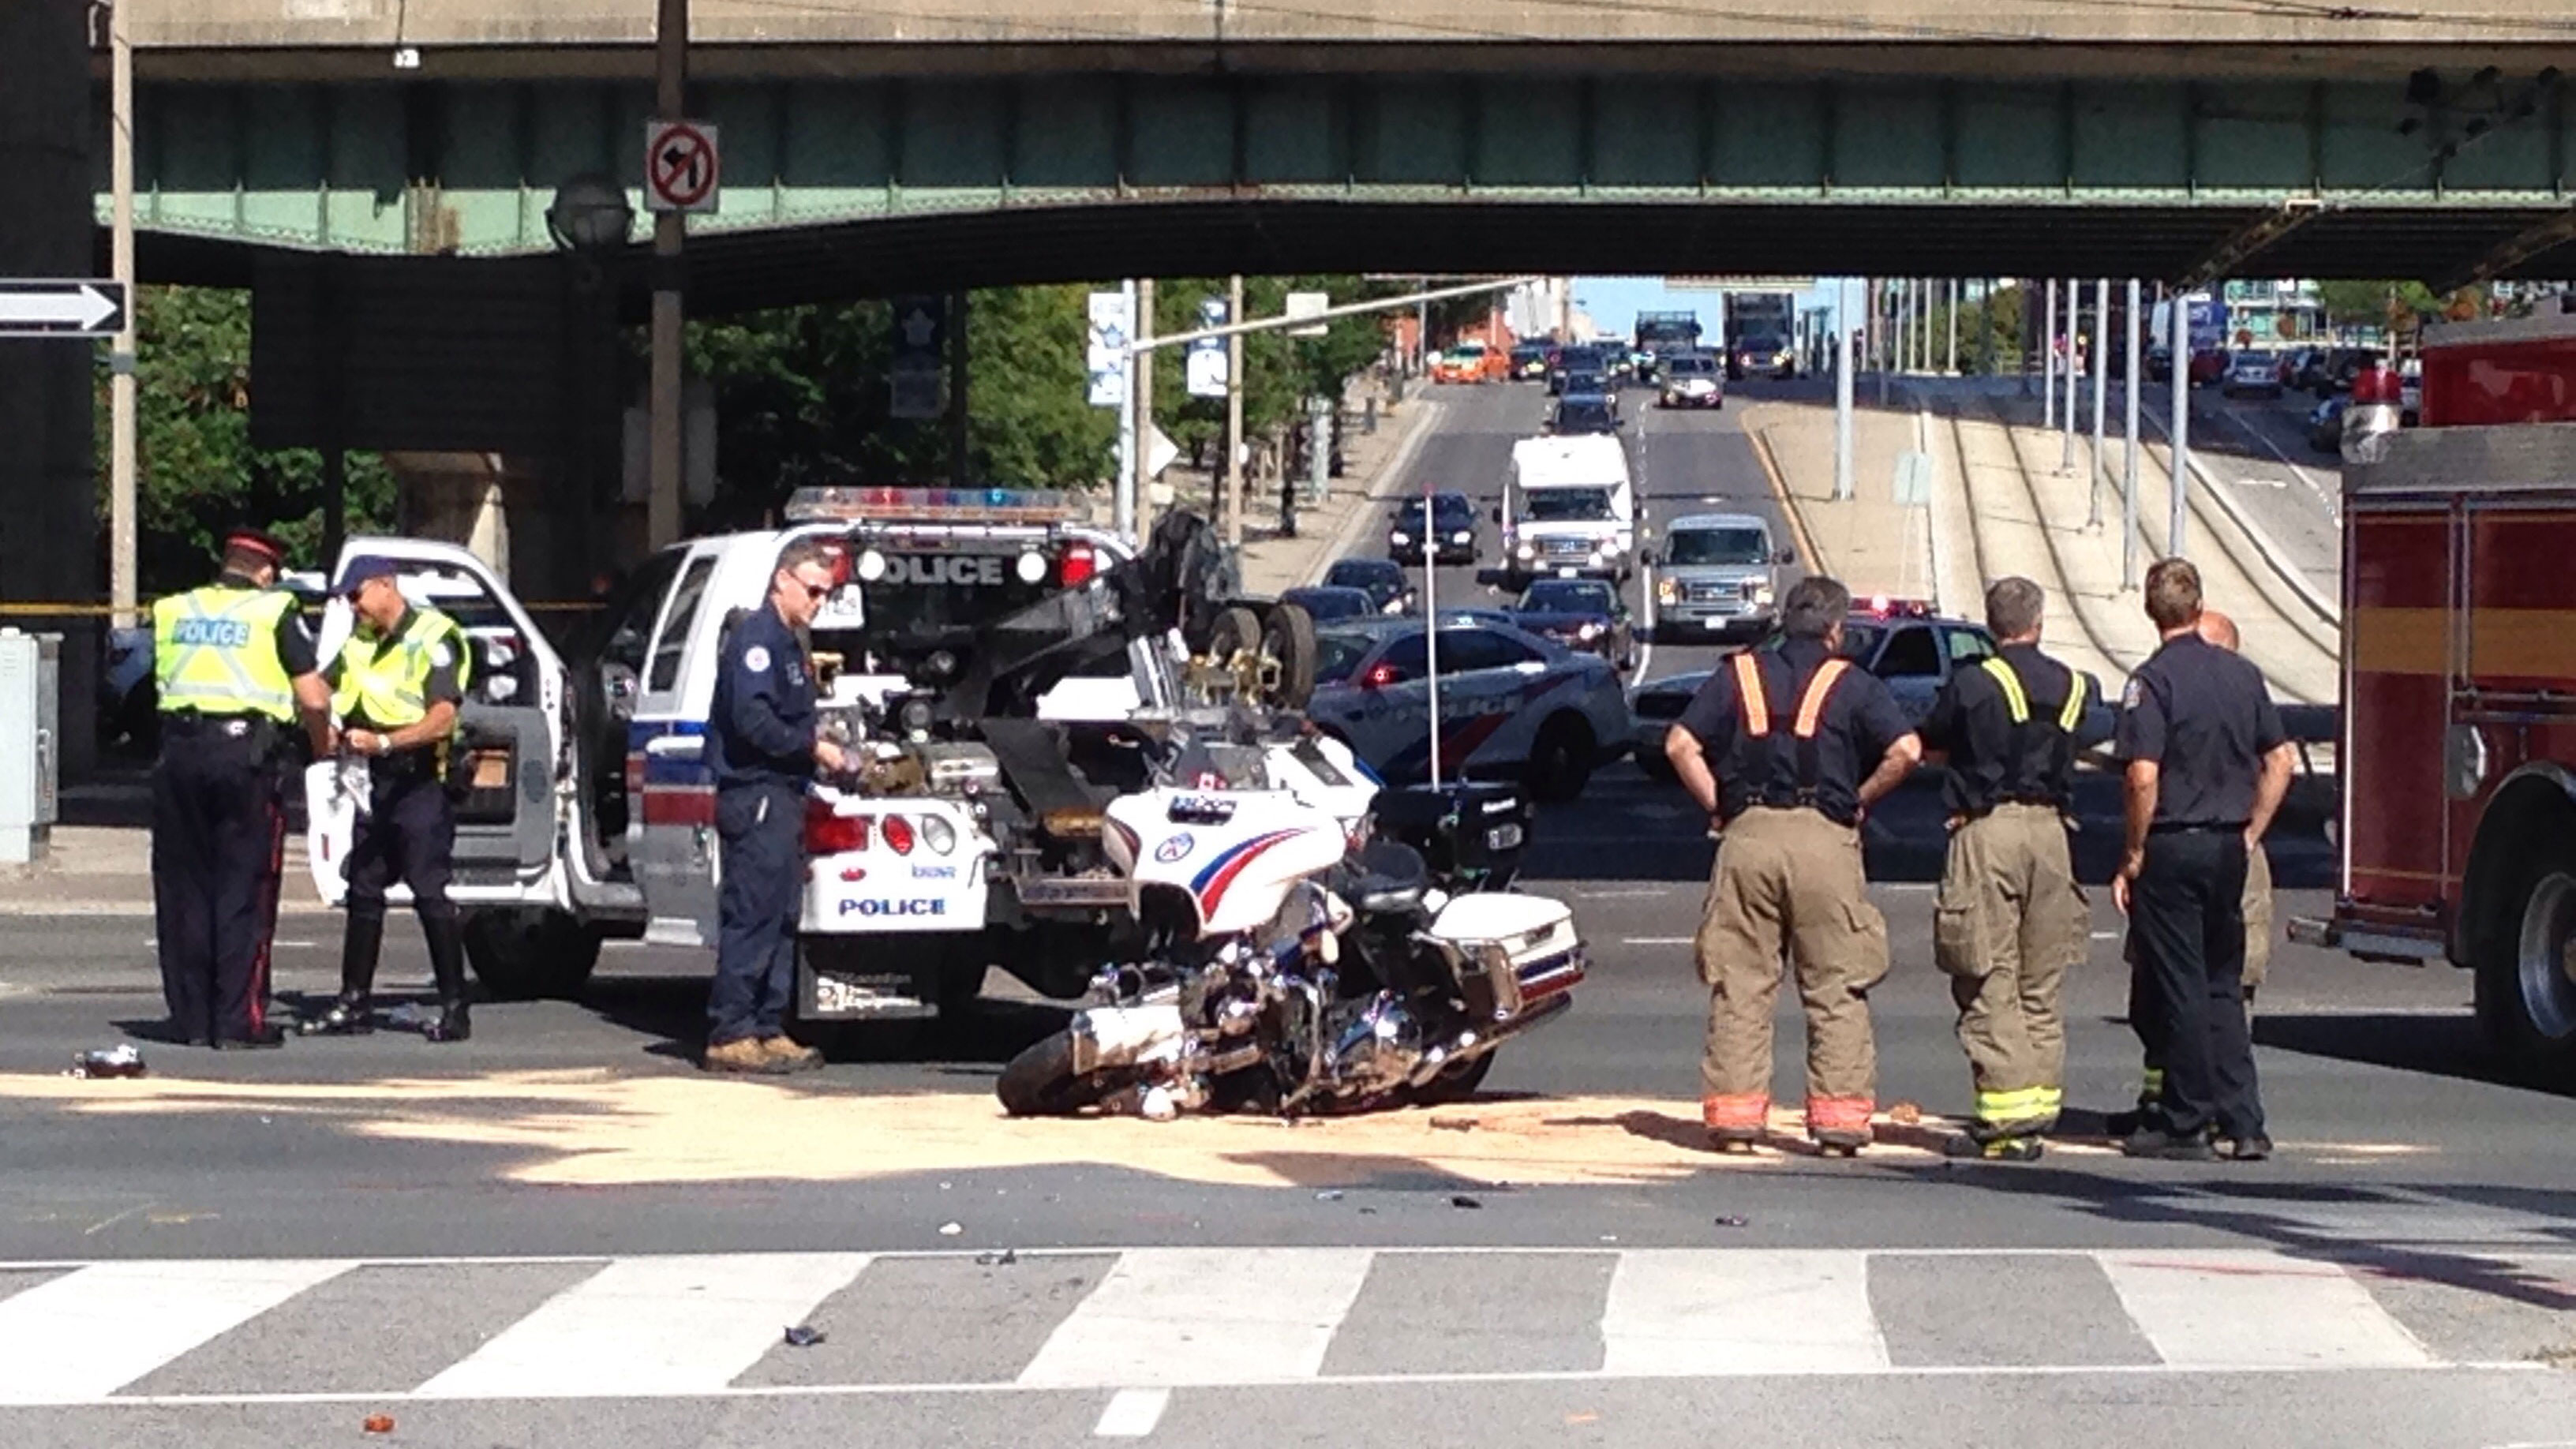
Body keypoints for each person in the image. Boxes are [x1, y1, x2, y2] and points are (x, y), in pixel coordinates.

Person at [1664, 575, 1923, 1154]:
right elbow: (1906, 750)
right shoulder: (1852, 683)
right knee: (1835, 986)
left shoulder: (1740, 673)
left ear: (1784, 620)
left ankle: (1735, 1122)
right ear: (1837, 630)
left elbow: (1680, 744)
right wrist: (1860, 798)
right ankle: (1839, 1126)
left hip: (1748, 837)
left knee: (1742, 984)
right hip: (1824, 839)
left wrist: (1719, 806)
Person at [2112, 561, 2295, 1161]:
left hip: (2174, 841)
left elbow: (2143, 774)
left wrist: (2135, 851)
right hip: (2226, 844)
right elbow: (2281, 761)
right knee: (2223, 982)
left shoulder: (2152, 682)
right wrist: (2251, 829)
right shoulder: (2242, 676)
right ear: (2199, 605)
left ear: (2149, 609)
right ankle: (2245, 1122)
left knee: (2181, 982)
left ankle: (2185, 1118)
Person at [1916, 577, 2089, 1162]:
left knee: (1986, 971)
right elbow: (2097, 736)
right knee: (2041, 980)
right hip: (2053, 836)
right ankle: (2038, 1108)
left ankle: (2006, 1120)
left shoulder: (1974, 682)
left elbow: (1930, 739)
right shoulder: (2073, 684)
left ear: (1992, 626)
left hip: (1988, 830)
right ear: (2039, 623)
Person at [151, 529, 335, 1049]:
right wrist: (320, 750)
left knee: (184, 890)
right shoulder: (273, 611)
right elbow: (315, 700)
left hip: (179, 754)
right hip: (243, 760)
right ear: (266, 572)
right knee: (243, 891)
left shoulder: (173, 608)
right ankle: (237, 1021)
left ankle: (190, 1020)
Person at [302, 557, 476, 1043]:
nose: (352, 606)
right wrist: (320, 718)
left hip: (418, 778)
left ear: (386, 585)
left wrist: (385, 743)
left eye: (356, 595)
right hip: (370, 779)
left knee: (428, 892)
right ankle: (353, 1001)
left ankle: (454, 1007)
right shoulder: (360, 641)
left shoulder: (434, 636)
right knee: (363, 886)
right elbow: (322, 685)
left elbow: (443, 717)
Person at [703, 537, 848, 1075]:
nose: (817, 602)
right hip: (756, 791)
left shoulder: (791, 644)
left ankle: (767, 1024)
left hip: (785, 795)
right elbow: (753, 721)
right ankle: (731, 1030)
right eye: (812, 590)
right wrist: (813, 747)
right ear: (783, 580)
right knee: (753, 912)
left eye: (826, 594)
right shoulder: (758, 641)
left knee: (784, 914)